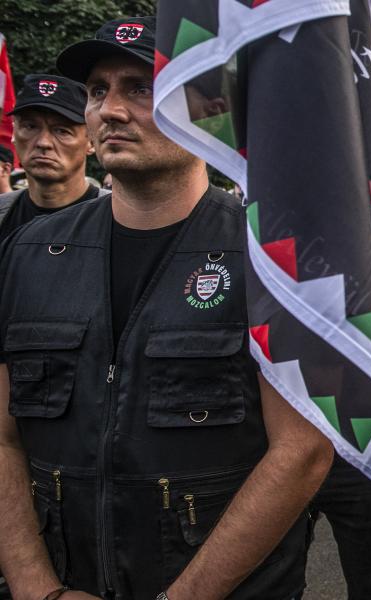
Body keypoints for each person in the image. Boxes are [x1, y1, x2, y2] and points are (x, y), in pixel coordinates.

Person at [0, 17, 333, 600]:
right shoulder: (28, 253)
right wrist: (35, 588)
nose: (110, 110)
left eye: (142, 88)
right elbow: (2, 437)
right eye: (99, 91)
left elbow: (303, 449)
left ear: (209, 110)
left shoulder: (272, 255)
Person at [0, 74, 102, 241]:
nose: (43, 143)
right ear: (13, 133)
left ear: (91, 141)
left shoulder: (121, 218)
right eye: (30, 126)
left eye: (62, 131)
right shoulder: (4, 213)